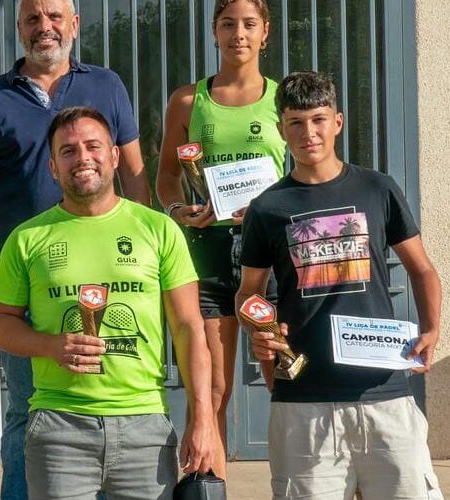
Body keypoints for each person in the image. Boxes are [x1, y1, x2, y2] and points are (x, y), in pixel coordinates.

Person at [0, 1, 148, 496]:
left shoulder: (106, 86)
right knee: (26, 408)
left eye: (55, 17)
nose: (45, 28)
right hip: (29, 280)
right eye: (33, 19)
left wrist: (148, 240)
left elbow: (133, 171)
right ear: (19, 28)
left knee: (117, 403)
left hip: (113, 275)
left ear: (74, 25)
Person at [0, 107, 219, 499]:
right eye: (68, 151)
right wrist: (50, 346)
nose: (83, 158)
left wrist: (204, 418)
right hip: (60, 428)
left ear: (114, 156)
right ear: (52, 168)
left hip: (144, 424)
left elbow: (189, 327)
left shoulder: (158, 229)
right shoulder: (27, 239)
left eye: (93, 146)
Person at [237, 71, 444, 500]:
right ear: (280, 129)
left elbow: (421, 268)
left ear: (338, 122)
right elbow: (248, 293)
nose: (308, 132)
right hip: (304, 400)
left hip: (384, 392)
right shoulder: (267, 207)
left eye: (318, 119)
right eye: (295, 122)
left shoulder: (378, 188)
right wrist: (262, 333)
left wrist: (431, 329)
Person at [155, 0, 285, 477]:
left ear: (265, 32)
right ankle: (208, 487)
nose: (239, 34)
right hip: (208, 249)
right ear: (214, 31)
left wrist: (276, 206)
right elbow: (167, 176)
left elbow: (308, 170)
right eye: (228, 24)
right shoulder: (188, 101)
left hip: (270, 254)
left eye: (249, 24)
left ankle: (299, 484)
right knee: (212, 389)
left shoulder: (283, 98)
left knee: (283, 375)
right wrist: (177, 211)